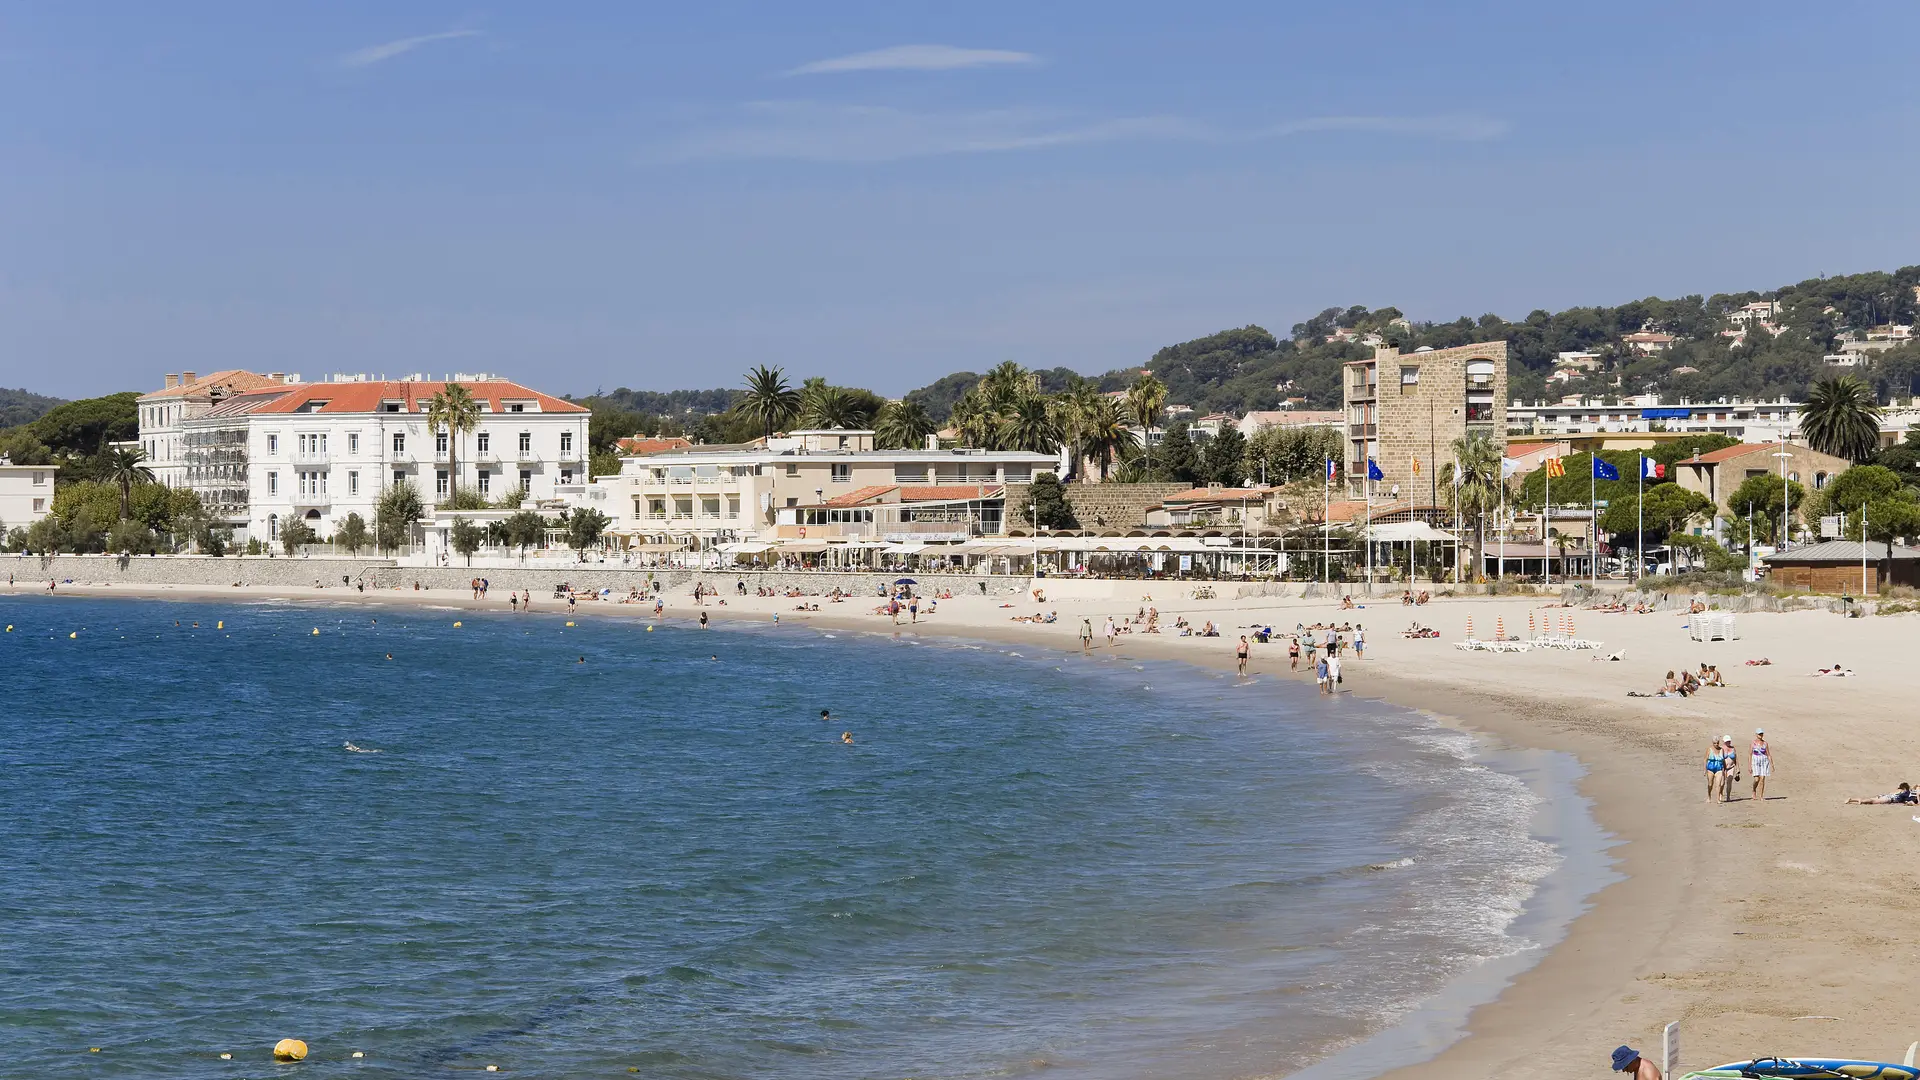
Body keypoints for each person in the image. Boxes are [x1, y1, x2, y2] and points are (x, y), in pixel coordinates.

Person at [1845, 782, 1918, 805]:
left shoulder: (1900, 790)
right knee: (1873, 801)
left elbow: (1916, 786)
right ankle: (1859, 800)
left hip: (1886, 796)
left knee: (1872, 799)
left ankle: (1853, 799)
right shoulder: (1907, 792)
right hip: (1890, 799)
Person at [1750, 729, 1772, 802]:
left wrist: (1772, 764)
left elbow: (1768, 754)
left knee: (1762, 779)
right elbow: (1750, 754)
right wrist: (1749, 766)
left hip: (1764, 762)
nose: (1760, 735)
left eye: (1761, 734)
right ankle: (1754, 790)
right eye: (1759, 734)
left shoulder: (1765, 743)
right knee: (1757, 779)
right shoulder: (1753, 743)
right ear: (1756, 734)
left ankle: (1761, 796)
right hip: (1755, 761)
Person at [1705, 737, 1725, 802]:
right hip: (1710, 769)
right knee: (1710, 784)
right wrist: (1704, 769)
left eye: (1717, 743)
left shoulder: (1722, 750)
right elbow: (1705, 759)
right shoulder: (1709, 749)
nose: (1716, 744)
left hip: (1719, 769)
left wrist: (1724, 769)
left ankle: (1718, 799)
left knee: (1718, 784)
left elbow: (1723, 760)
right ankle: (1709, 796)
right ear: (1712, 743)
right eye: (1715, 743)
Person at [1719, 735, 1739, 801]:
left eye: (1729, 741)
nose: (1728, 742)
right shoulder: (1721, 748)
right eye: (1727, 741)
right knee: (1722, 783)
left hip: (1731, 767)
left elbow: (1736, 759)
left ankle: (1728, 796)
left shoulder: (1733, 748)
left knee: (1729, 782)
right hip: (1723, 768)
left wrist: (1738, 769)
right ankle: (1720, 794)